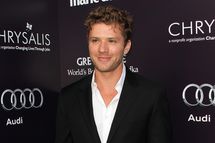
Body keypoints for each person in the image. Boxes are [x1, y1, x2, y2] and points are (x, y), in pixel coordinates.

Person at [55, 5, 171, 143]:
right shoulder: (69, 97)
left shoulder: (151, 96)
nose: (102, 49)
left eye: (111, 41)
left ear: (126, 46)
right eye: (95, 40)